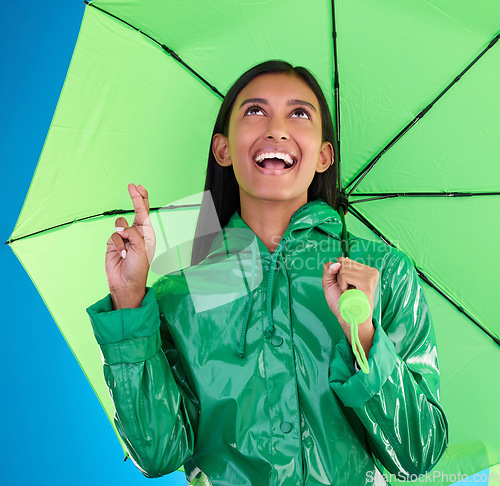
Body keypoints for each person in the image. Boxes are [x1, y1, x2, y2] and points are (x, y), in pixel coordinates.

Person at [86, 61, 448, 485]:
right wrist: (129, 300)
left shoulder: (382, 272)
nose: (277, 129)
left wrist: (364, 337)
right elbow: (157, 451)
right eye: (255, 111)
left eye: (299, 114)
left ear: (324, 155)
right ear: (222, 149)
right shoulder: (185, 293)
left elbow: (418, 452)